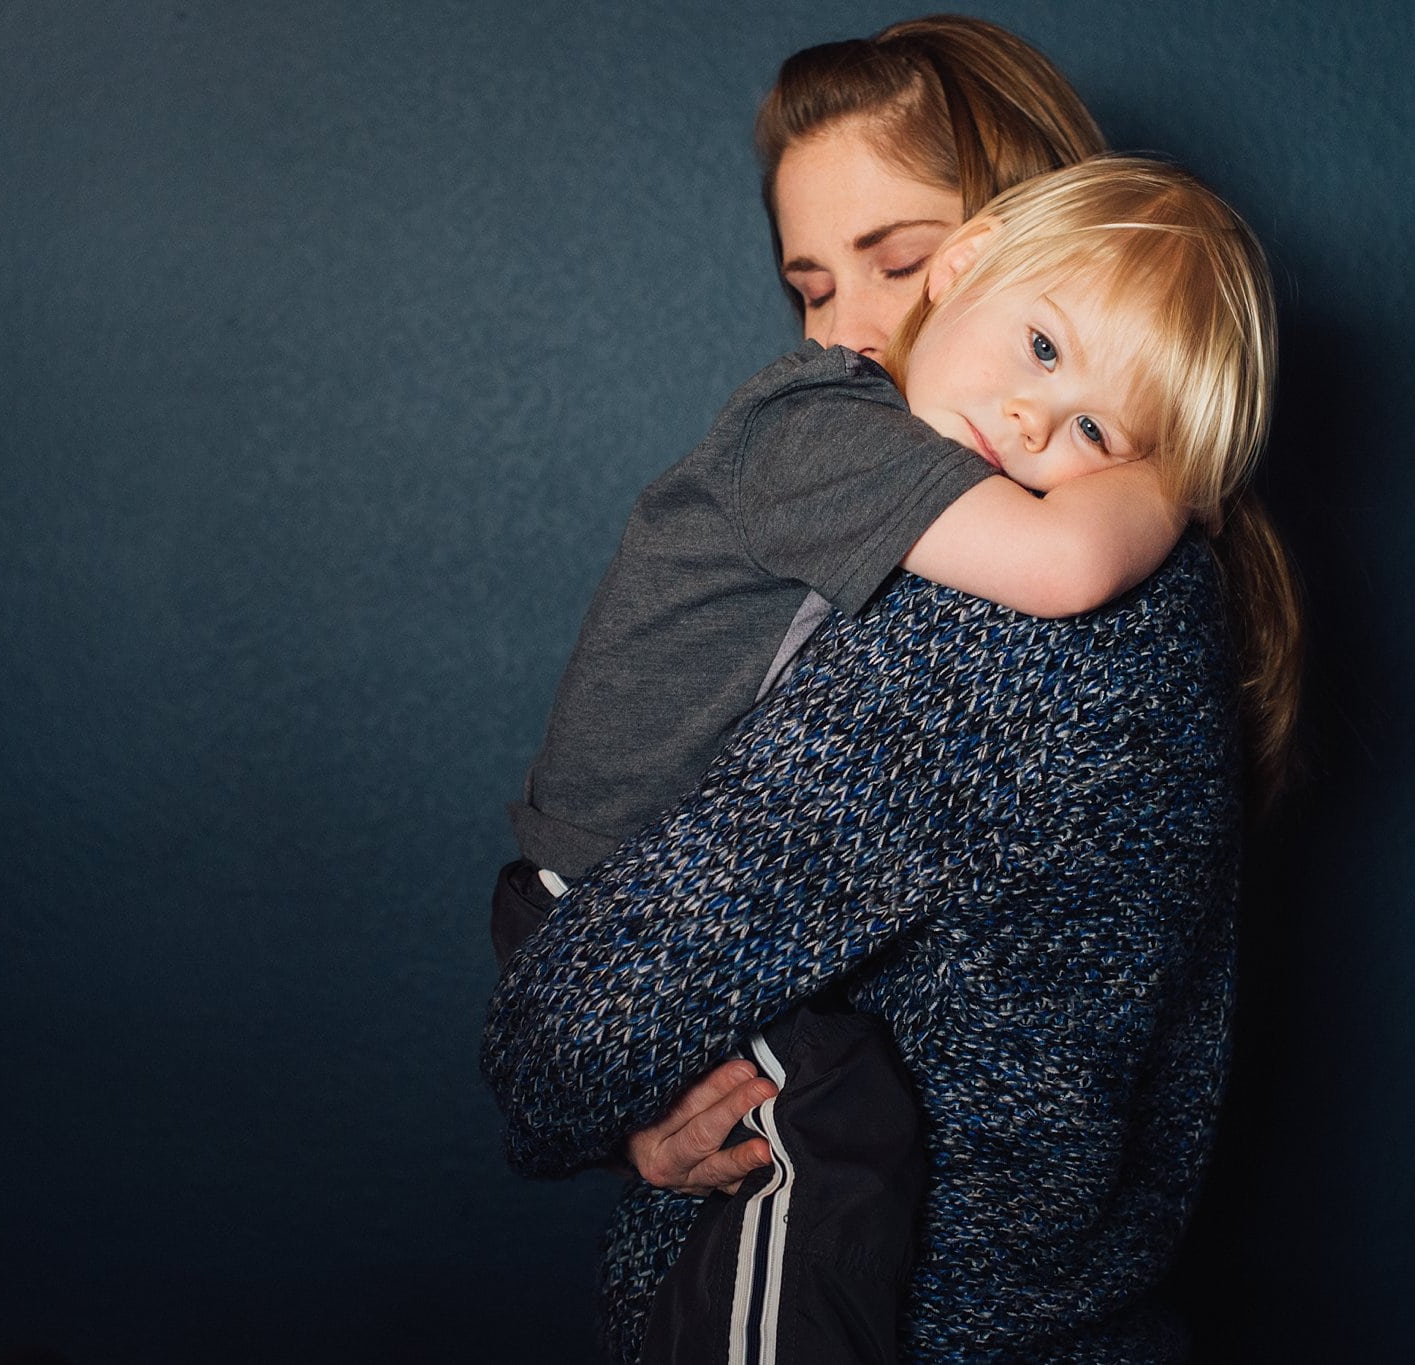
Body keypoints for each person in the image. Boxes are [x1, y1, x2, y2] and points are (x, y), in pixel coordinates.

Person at [485, 15, 1304, 1363]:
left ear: (1015, 236)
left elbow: (563, 1041)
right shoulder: (1126, 580)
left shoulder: (1012, 620)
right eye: (811, 286)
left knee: (835, 1134)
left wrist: (581, 1075)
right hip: (1075, 1311)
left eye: (897, 262)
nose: (852, 334)